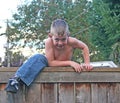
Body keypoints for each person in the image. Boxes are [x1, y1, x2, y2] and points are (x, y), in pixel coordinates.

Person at [5, 19, 93, 93]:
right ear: (50, 36)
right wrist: (71, 62)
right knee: (39, 57)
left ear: (68, 36)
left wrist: (87, 63)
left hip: (64, 66)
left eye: (63, 39)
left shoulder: (72, 41)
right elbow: (51, 63)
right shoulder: (48, 42)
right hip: (49, 65)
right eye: (57, 40)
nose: (60, 43)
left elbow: (84, 47)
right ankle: (16, 80)